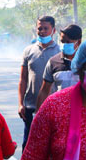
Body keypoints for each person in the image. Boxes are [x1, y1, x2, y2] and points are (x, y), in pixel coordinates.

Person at [18, 15, 61, 148]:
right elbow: (23, 79)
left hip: (53, 108)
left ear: (53, 30)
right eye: (39, 28)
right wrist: (20, 104)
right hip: (30, 106)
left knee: (50, 145)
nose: (42, 31)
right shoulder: (28, 51)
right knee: (29, 144)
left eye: (45, 28)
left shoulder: (60, 52)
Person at [35, 24, 82, 111]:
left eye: (68, 42)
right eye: (62, 41)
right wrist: (38, 113)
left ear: (78, 42)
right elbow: (45, 90)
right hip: (60, 111)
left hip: (81, 111)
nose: (64, 44)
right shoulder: (53, 62)